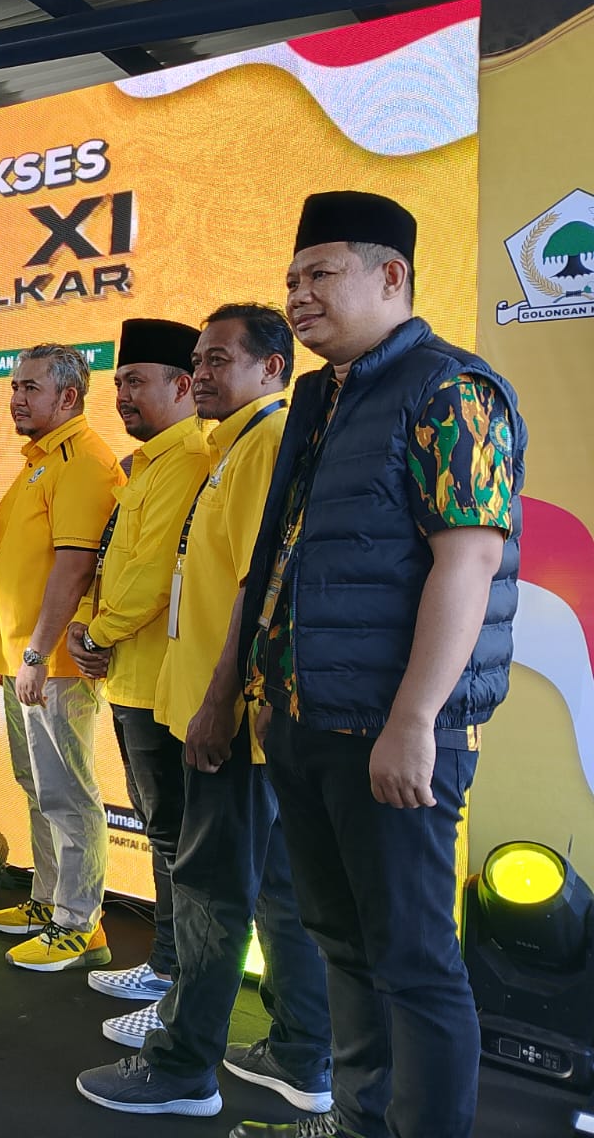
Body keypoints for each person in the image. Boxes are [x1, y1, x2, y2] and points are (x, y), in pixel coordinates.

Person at [227, 192, 525, 1138]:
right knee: (340, 943)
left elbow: (468, 561)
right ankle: (359, 1122)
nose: (297, 297)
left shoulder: (450, 390)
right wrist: (253, 691)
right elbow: (284, 558)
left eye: (319, 274)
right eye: (290, 280)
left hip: (393, 732)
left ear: (390, 276)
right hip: (305, 721)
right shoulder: (321, 397)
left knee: (413, 962)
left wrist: (414, 721)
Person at [75, 306, 330, 1117]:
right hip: (216, 709)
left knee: (212, 891)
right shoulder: (232, 448)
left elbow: (263, 592)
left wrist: (221, 704)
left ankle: (183, 1068)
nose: (202, 375)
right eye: (198, 360)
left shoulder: (263, 444)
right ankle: (301, 1053)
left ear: (272, 369)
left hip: (228, 718)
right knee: (274, 887)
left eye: (219, 360)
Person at [61, 320, 207, 995]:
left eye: (136, 382)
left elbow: (153, 575)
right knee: (164, 830)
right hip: (130, 676)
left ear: (182, 385)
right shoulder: (142, 464)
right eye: (118, 382)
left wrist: (98, 633)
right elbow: (113, 564)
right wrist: (87, 624)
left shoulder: (191, 459)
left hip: (163, 684)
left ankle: (175, 976)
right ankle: (166, 966)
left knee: (177, 835)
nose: (122, 395)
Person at [0, 343, 123, 967]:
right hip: (22, 660)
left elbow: (76, 566)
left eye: (29, 388)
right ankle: (47, 900)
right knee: (38, 786)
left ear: (68, 396)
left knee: (68, 793)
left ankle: (79, 924)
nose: (16, 398)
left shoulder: (84, 461)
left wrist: (38, 653)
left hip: (53, 664)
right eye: (15, 386)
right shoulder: (41, 461)